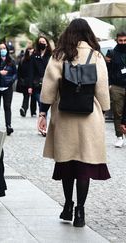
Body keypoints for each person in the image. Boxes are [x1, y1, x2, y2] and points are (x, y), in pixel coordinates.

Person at [37, 18, 110, 228]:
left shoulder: (59, 55)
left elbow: (48, 88)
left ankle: (68, 205)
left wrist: (43, 112)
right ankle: (80, 211)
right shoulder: (96, 56)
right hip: (89, 117)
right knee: (84, 165)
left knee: (67, 163)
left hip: (64, 115)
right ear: (88, 34)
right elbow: (102, 89)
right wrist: (103, 110)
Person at [105, 31, 126, 148]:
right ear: (116, 40)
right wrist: (109, 85)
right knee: (117, 113)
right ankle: (119, 136)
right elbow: (107, 70)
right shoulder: (111, 53)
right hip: (117, 87)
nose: (123, 42)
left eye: (125, 40)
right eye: (121, 40)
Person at [29, 36, 52, 117]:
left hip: (48, 83)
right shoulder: (34, 56)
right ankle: (42, 119)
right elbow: (31, 71)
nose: (42, 43)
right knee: (40, 102)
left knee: (44, 104)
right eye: (40, 42)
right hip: (37, 84)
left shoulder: (51, 55)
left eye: (43, 42)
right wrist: (30, 86)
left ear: (47, 43)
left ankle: (43, 119)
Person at [0, 42, 17, 135]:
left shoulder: (11, 61)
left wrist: (11, 81)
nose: (2, 50)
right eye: (1, 48)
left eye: (4, 48)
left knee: (7, 107)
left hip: (7, 87)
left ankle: (8, 125)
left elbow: (15, 73)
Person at [17, 47, 37, 117]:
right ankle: (29, 110)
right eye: (30, 52)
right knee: (29, 96)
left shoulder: (24, 60)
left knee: (30, 97)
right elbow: (19, 72)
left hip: (29, 81)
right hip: (28, 81)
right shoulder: (25, 61)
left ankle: (28, 109)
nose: (31, 54)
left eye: (32, 52)